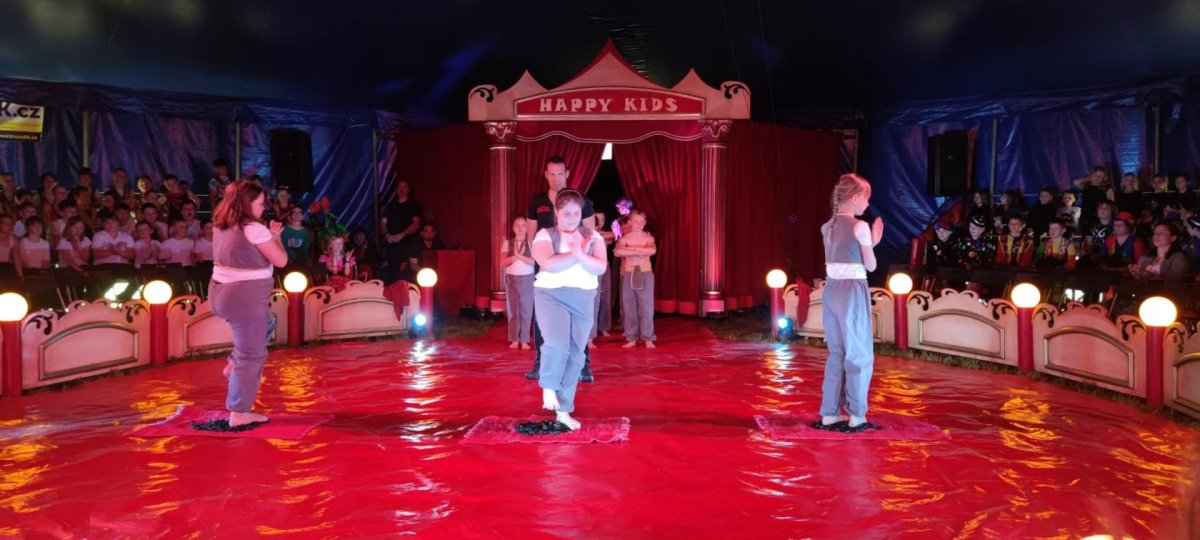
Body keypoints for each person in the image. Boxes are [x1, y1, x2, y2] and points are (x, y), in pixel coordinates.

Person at [209, 180, 288, 427]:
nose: (263, 208)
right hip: (244, 297)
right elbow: (281, 260)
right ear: (246, 203)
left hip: (219, 292)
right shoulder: (254, 229)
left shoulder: (220, 224)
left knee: (268, 323)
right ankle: (239, 412)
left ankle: (234, 363)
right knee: (251, 355)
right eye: (260, 203)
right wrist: (275, 238)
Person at [531, 189, 607, 431]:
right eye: (566, 213)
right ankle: (548, 386)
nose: (572, 218)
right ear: (557, 212)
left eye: (576, 213)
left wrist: (579, 255)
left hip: (583, 297)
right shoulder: (545, 235)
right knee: (557, 344)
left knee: (576, 355)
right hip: (551, 295)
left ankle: (563, 411)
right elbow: (548, 263)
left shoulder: (593, 236)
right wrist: (578, 255)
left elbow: (600, 267)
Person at [816, 174, 883, 431]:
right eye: (866, 199)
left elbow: (843, 254)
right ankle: (857, 415)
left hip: (832, 290)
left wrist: (868, 242)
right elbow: (870, 265)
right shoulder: (860, 226)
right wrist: (872, 242)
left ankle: (830, 413)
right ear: (855, 198)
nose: (867, 204)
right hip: (852, 291)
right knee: (859, 353)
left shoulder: (827, 226)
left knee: (837, 352)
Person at [524, 155, 597, 381]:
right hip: (548, 269)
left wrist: (582, 262)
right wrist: (544, 259)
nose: (556, 178)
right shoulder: (537, 203)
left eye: (560, 173)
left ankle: (583, 365)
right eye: (552, 174)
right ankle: (540, 362)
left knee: (579, 319)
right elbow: (531, 237)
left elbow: (591, 235)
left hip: (577, 269)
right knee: (543, 318)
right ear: (546, 175)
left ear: (567, 174)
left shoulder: (582, 201)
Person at [613, 209, 657, 348]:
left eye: (641, 222)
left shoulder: (648, 238)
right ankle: (631, 337)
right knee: (629, 306)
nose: (638, 224)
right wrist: (638, 251)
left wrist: (630, 251)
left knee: (646, 307)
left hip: (644, 273)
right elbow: (617, 252)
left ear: (644, 223)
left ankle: (648, 337)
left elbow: (652, 250)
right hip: (629, 273)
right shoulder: (625, 239)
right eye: (635, 221)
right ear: (630, 222)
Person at [501, 216, 535, 350]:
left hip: (527, 279)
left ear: (527, 228)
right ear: (513, 228)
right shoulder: (507, 243)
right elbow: (503, 262)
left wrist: (519, 255)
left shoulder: (531, 243)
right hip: (511, 279)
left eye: (523, 225)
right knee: (513, 311)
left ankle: (525, 340)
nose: (520, 228)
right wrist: (516, 255)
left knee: (526, 311)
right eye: (517, 225)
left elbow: (533, 262)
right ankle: (514, 339)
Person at [379, 180, 422, 285]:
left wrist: (402, 235)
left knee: (406, 271)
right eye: (399, 187)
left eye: (404, 187)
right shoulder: (390, 206)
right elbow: (383, 223)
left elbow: (416, 224)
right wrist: (387, 235)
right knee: (392, 270)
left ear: (409, 190)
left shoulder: (413, 205)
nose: (401, 189)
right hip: (392, 242)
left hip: (408, 243)